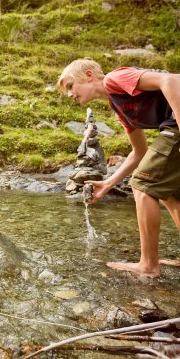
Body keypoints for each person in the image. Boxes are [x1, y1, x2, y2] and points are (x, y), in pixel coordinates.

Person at [57, 58, 180, 278]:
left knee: (143, 186)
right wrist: (108, 183)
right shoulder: (119, 108)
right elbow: (139, 152)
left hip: (175, 125)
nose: (69, 94)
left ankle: (148, 266)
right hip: (170, 127)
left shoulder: (115, 79)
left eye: (70, 86)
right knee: (168, 192)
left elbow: (171, 80)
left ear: (88, 75)